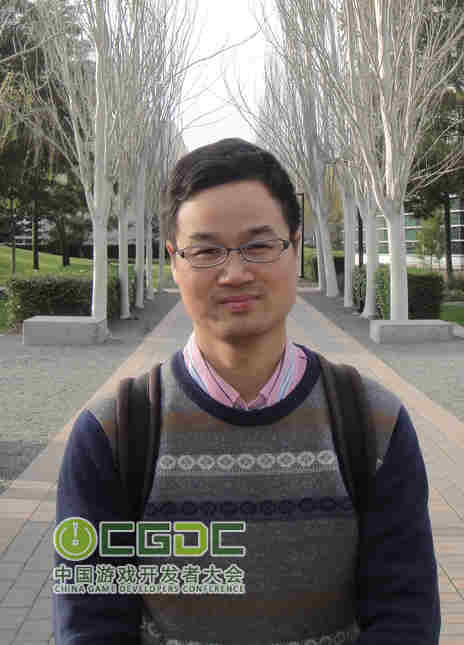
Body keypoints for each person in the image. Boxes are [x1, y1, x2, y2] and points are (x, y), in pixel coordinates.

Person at [53, 138, 441, 644]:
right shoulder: (112, 433)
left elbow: (405, 616)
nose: (234, 273)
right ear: (174, 260)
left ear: (295, 248)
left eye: (259, 246)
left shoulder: (374, 423)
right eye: (206, 250)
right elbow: (89, 624)